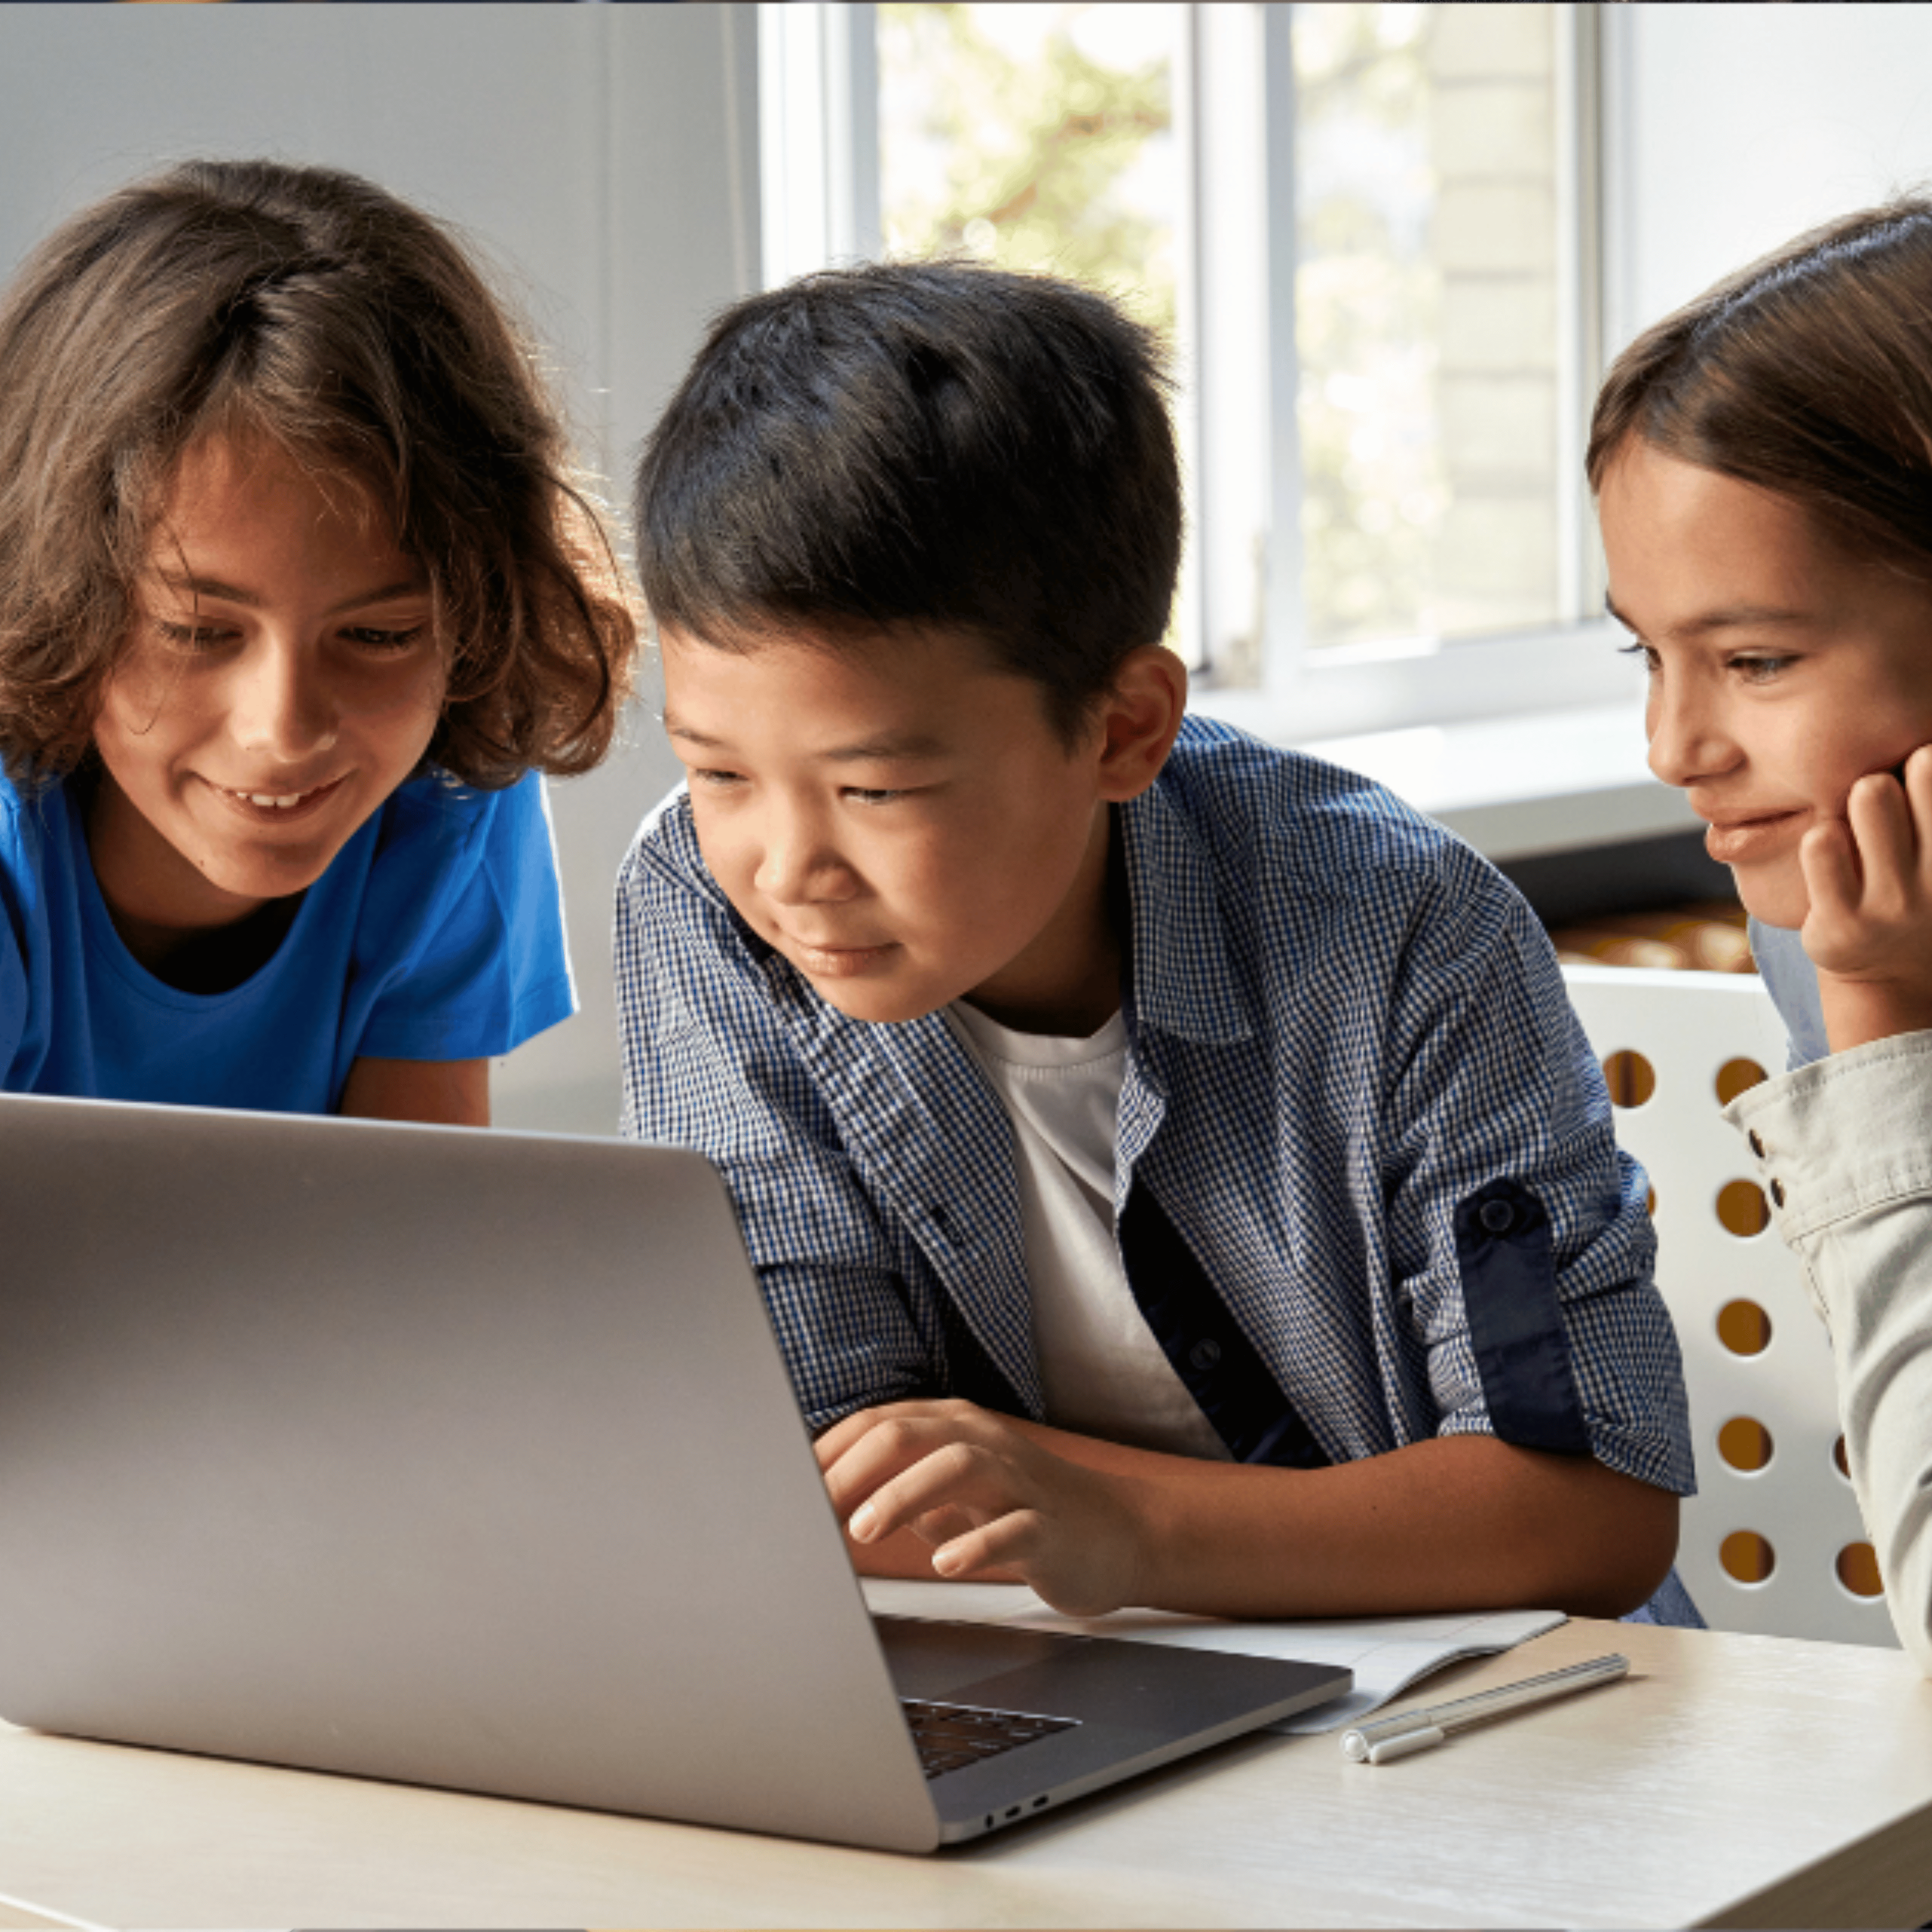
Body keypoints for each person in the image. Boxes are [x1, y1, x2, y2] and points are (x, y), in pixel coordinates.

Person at [618, 260, 1693, 1621]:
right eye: (718, 772)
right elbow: (802, 1478)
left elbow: (1588, 1508)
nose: (783, 866)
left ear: (1124, 727)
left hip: (1475, 1706)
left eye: (873, 788)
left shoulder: (1402, 930)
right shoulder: (698, 901)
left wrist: (1116, 1522)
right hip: (1042, 1685)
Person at [0, 158, 637, 1124]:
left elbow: (405, 1247)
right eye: (198, 629)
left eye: (380, 635)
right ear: (53, 596)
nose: (284, 730)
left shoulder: (452, 808)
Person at [1592, 198, 1932, 1672]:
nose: (1672, 744)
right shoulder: (1840, 917)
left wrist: (1881, 1021)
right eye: (1643, 654)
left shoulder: (1863, 948)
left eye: (1752, 660)